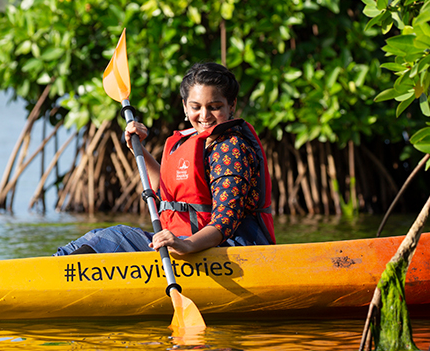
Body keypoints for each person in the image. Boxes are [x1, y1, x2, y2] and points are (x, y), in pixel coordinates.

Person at [54, 62, 275, 257]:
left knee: (110, 238)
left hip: (227, 250)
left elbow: (225, 222)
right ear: (185, 107)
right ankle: (50, 273)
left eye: (215, 107)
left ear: (231, 105)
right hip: (185, 243)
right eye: (196, 107)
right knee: (97, 239)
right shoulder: (188, 141)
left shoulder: (230, 149)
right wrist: (137, 148)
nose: (205, 115)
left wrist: (186, 245)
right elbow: (165, 191)